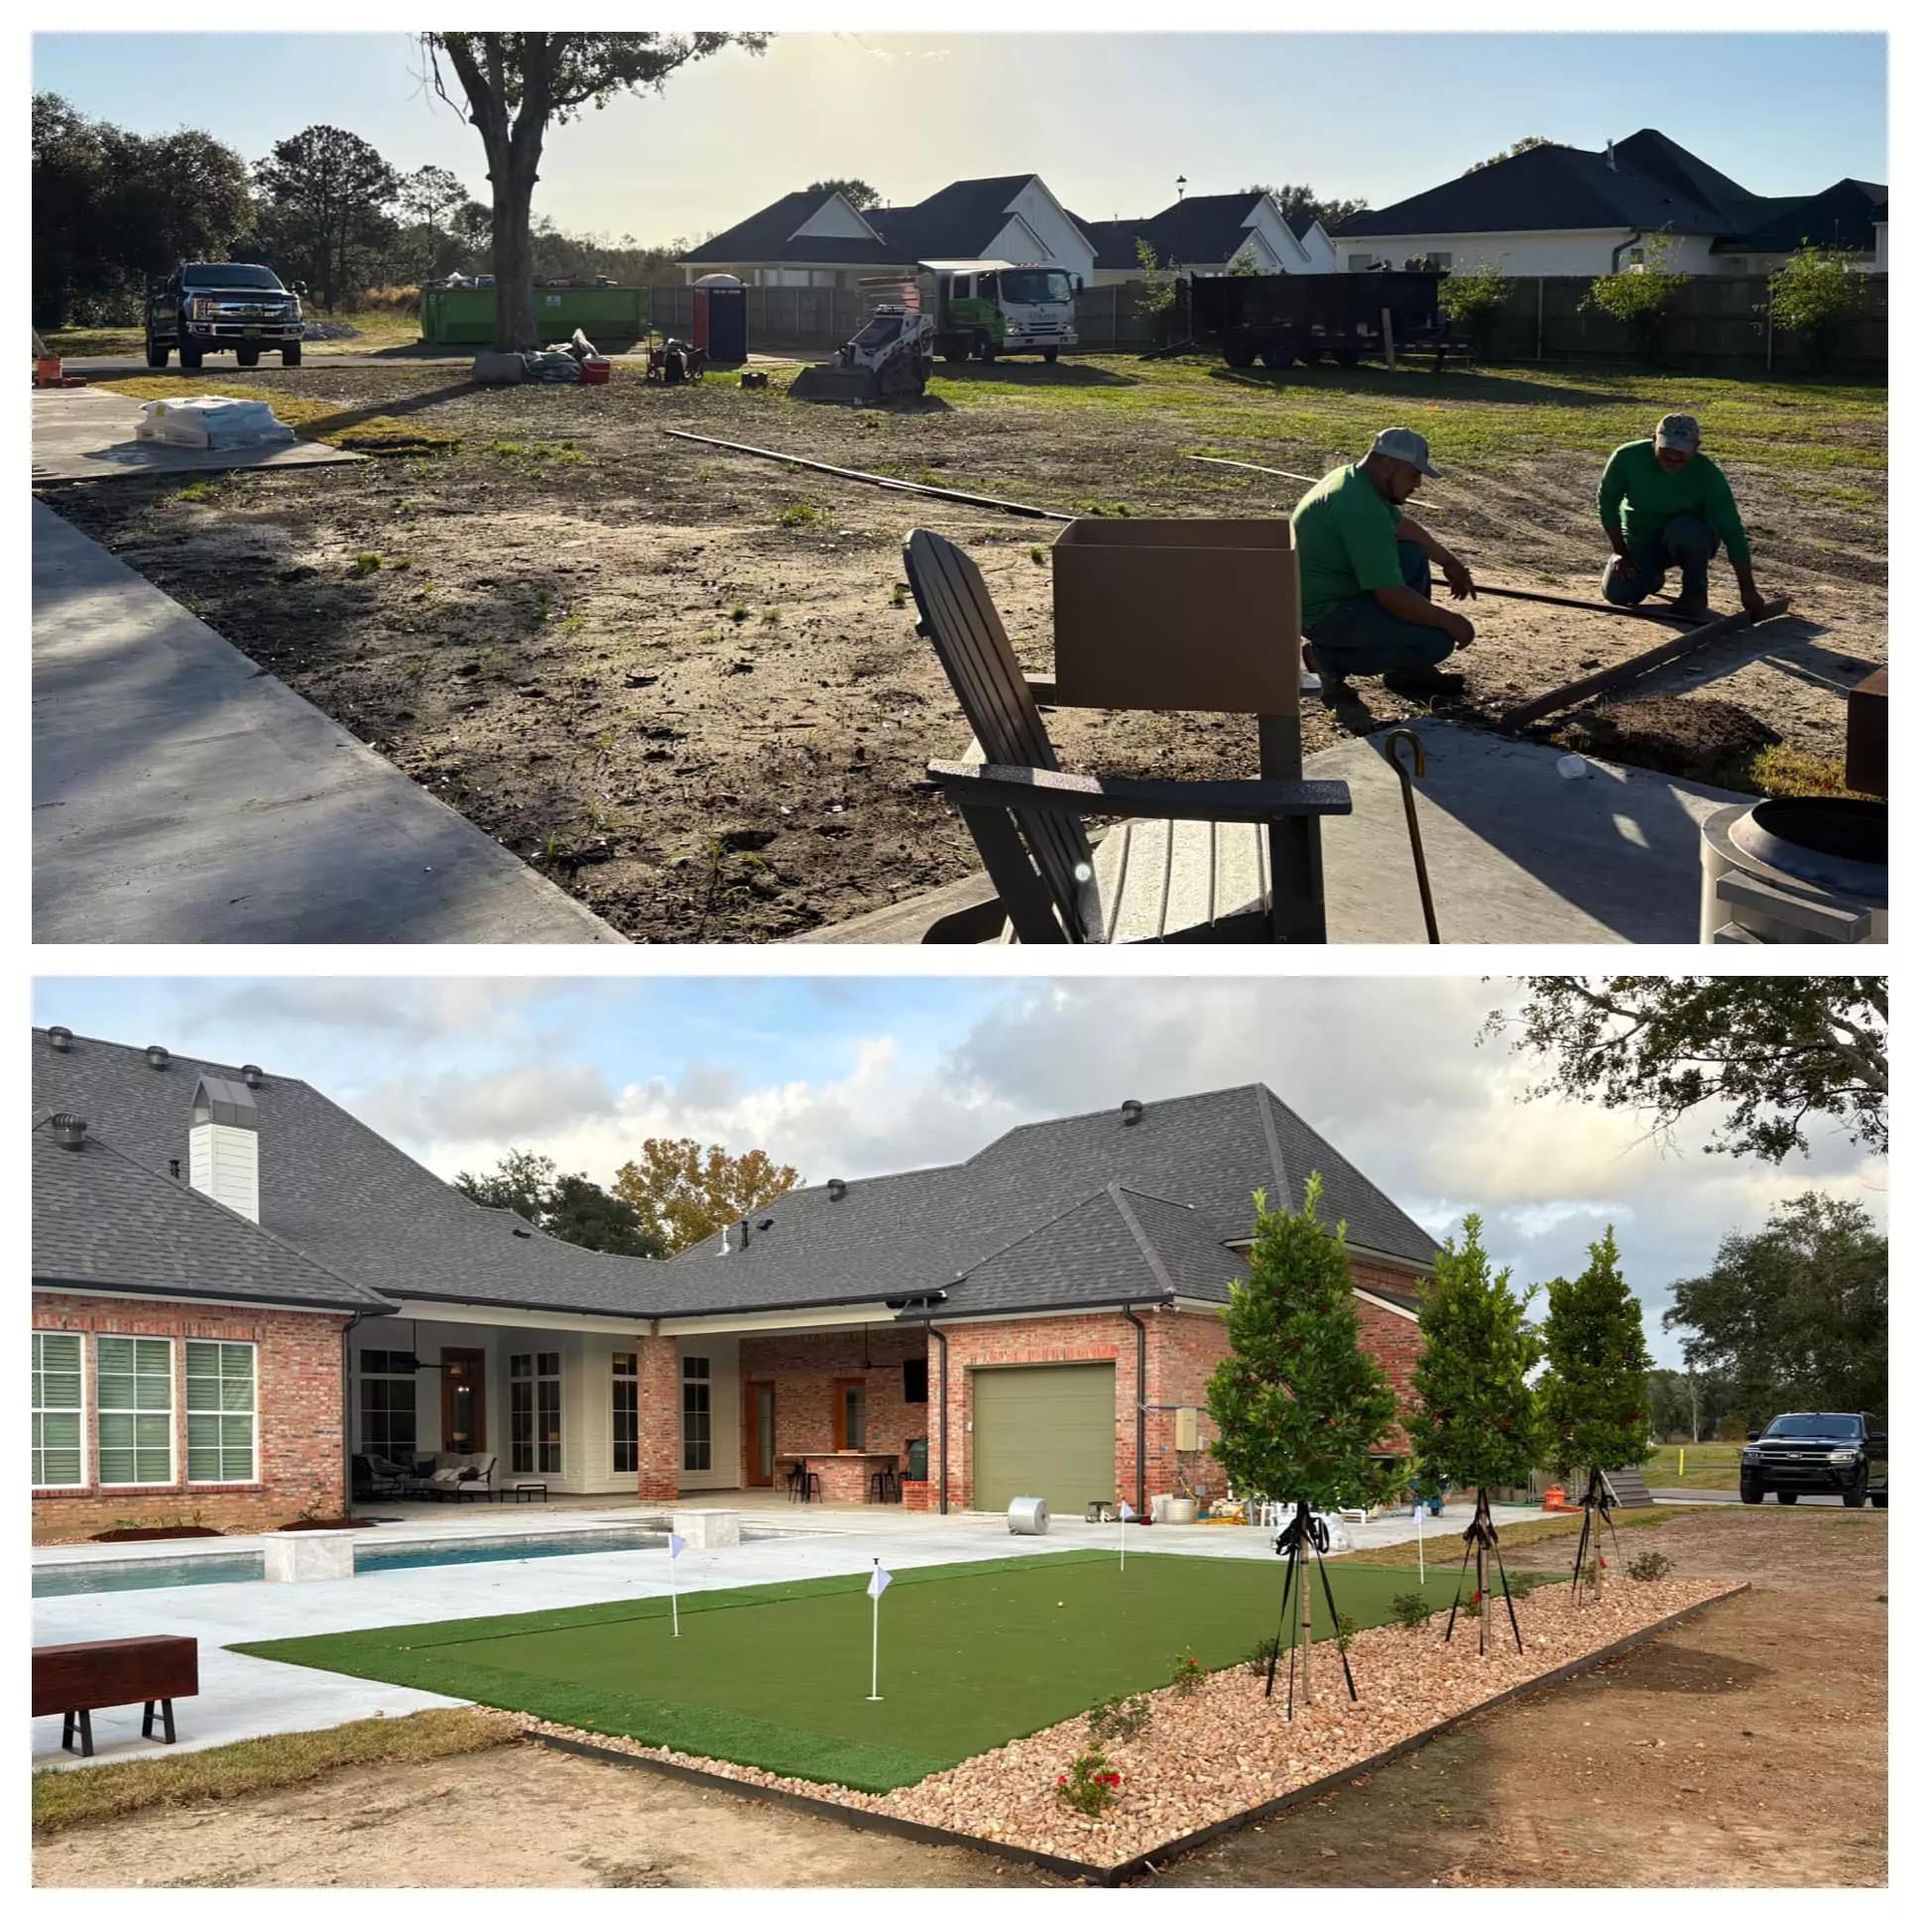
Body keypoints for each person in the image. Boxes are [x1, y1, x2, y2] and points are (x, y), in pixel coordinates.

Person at [1293, 427, 1477, 702]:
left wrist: (1449, 562)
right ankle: (1328, 659)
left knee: (1412, 553)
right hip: (1324, 614)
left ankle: (1406, 669)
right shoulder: (1362, 509)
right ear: (1388, 463)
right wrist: (1452, 621)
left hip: (1330, 592)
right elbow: (1391, 595)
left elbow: (1403, 527)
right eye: (1413, 474)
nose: (1418, 484)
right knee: (1437, 640)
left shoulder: (1353, 479)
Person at [1598, 415, 1769, 621]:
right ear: (1654, 439)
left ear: (1696, 447)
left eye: (1680, 455)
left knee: (1686, 531)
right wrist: (1620, 551)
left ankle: (1694, 593)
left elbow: (1732, 531)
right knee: (1619, 595)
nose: (1672, 459)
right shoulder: (1626, 457)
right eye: (1665, 452)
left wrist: (1747, 589)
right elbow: (1607, 503)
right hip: (1640, 536)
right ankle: (1652, 574)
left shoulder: (1708, 475)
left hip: (1690, 537)